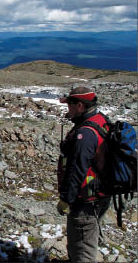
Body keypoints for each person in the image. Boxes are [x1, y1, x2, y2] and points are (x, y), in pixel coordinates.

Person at [56, 86, 111, 262]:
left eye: (69, 105)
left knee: (82, 248)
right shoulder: (100, 120)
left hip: (86, 199)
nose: (68, 109)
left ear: (79, 106)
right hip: (100, 193)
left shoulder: (85, 133)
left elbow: (77, 169)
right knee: (81, 240)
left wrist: (66, 199)